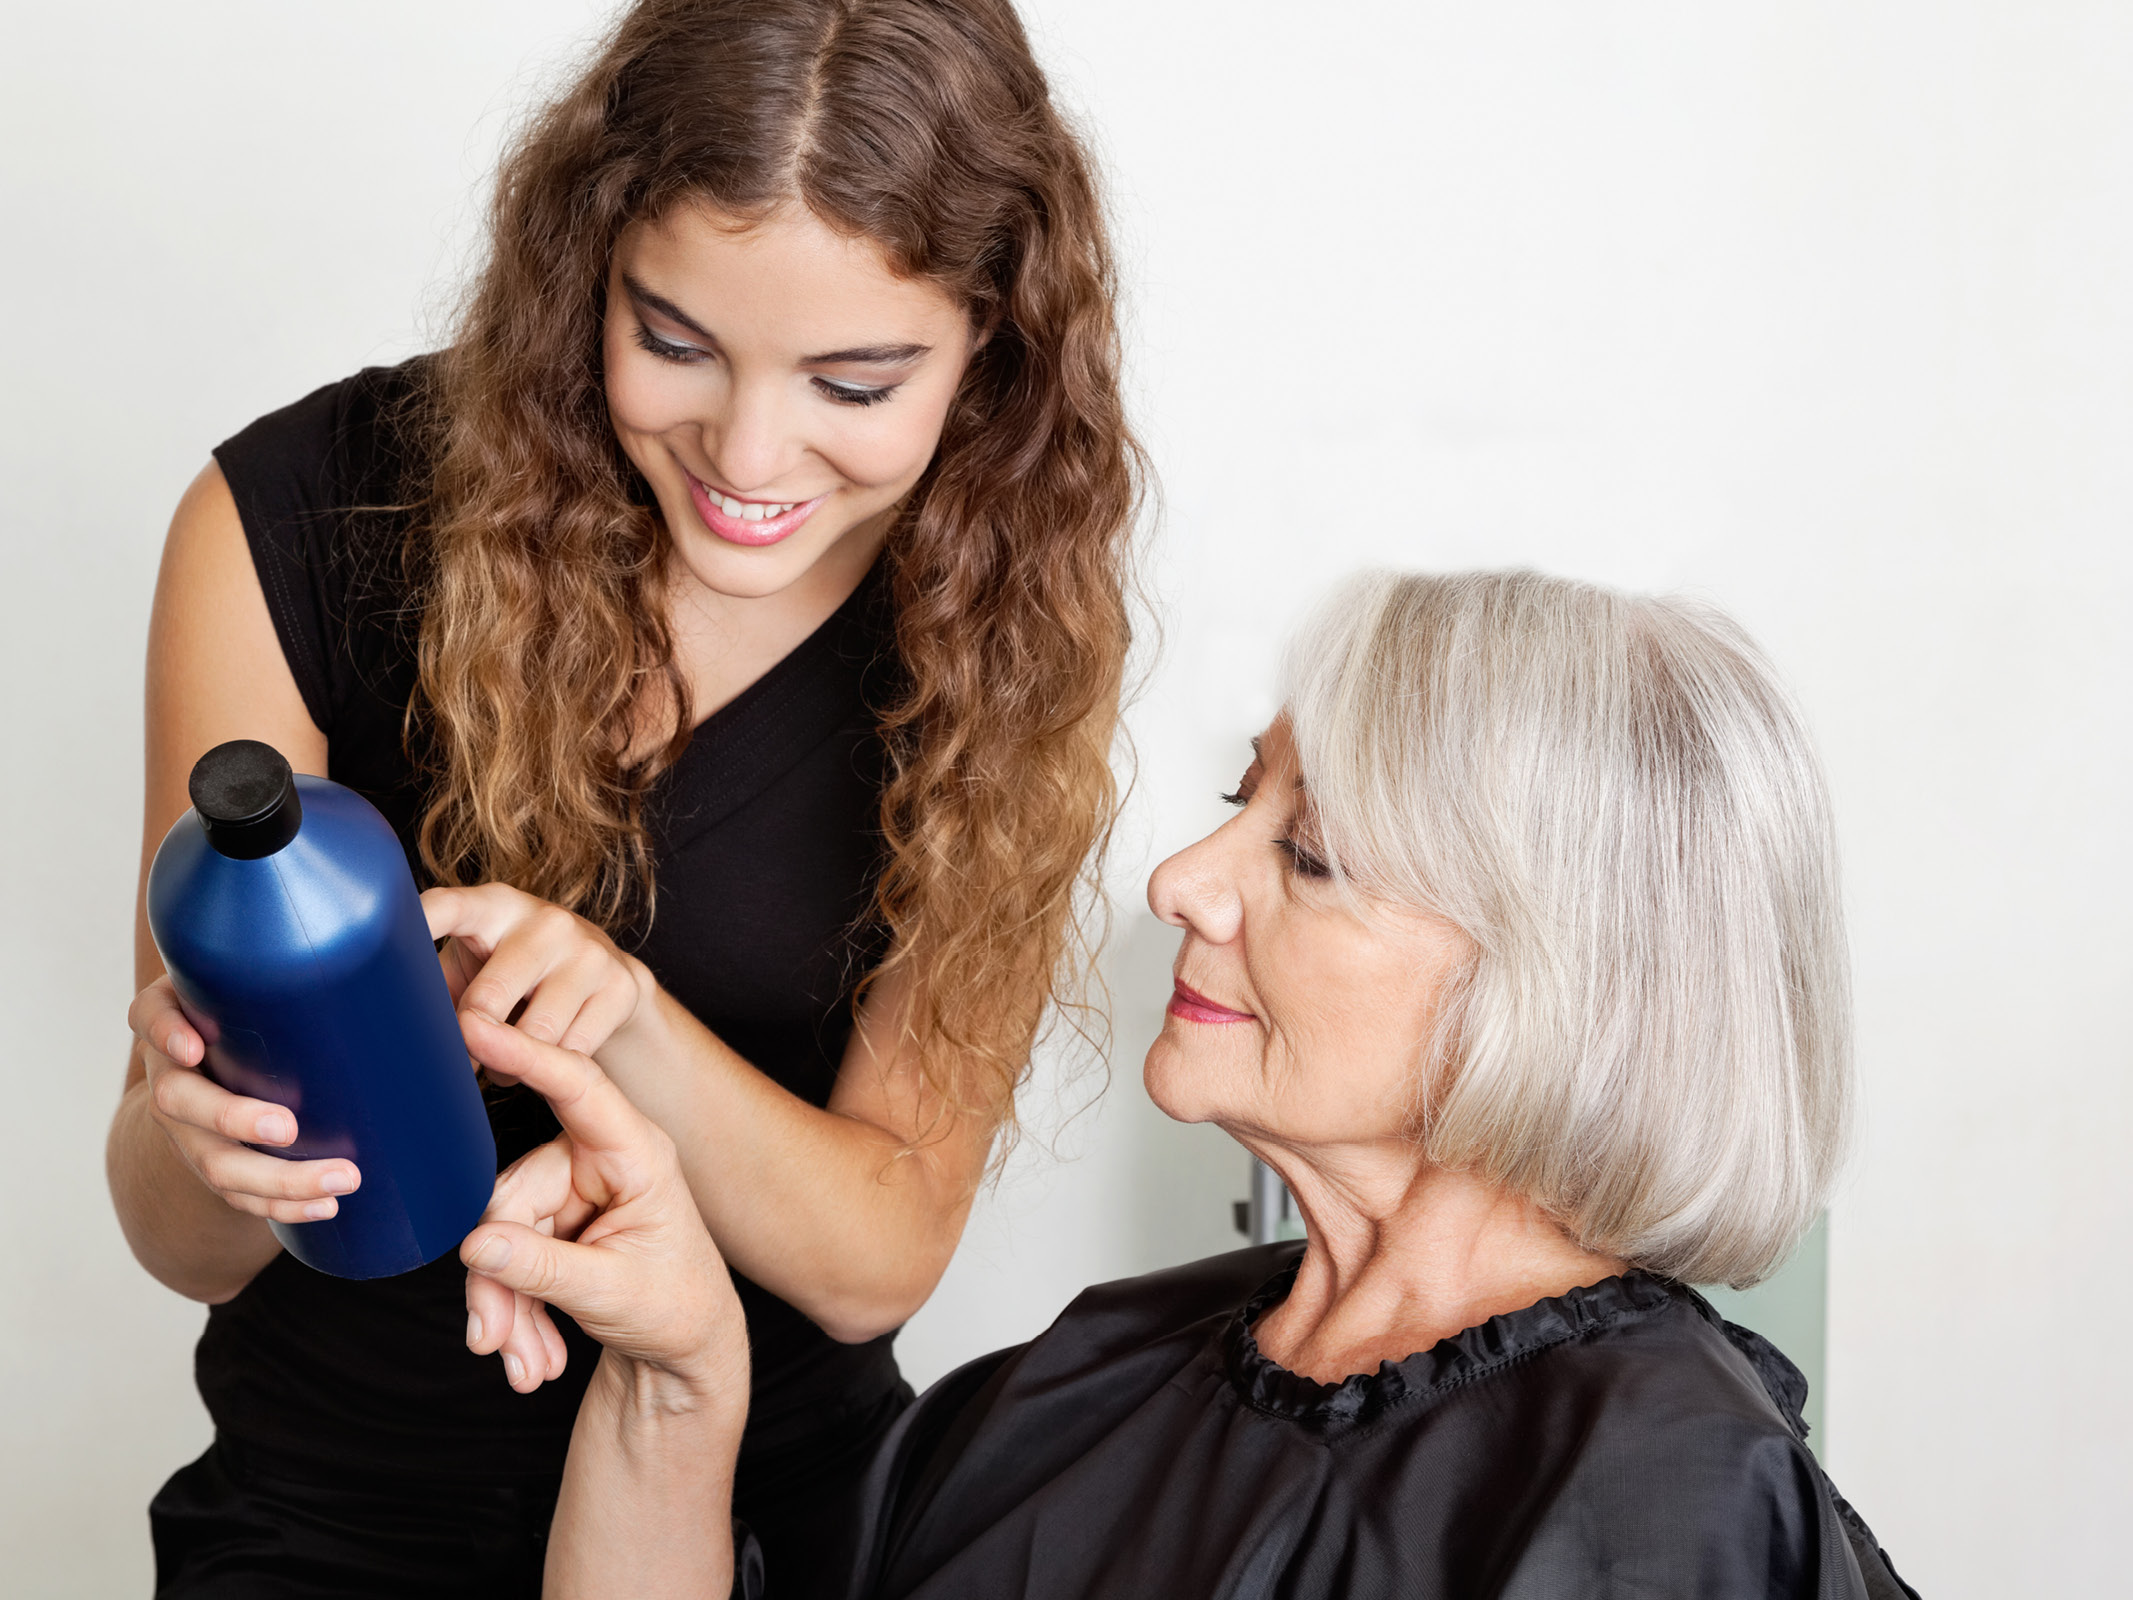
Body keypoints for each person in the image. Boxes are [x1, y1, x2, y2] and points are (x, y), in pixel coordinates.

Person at [105, 2, 1140, 1594]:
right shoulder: (292, 521)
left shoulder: (1012, 617)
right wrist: (209, 1154)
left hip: (765, 1504)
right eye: (673, 342)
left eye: (854, 383)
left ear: (991, 341)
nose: (750, 454)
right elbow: (180, 1247)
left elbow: (878, 1257)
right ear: (586, 261)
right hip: (328, 1511)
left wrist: (621, 1019)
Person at [448, 570, 1920, 1598]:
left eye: (1310, 853)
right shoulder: (1092, 1372)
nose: (1179, 882)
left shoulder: (1671, 1501)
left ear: (1557, 979)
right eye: (1239, 802)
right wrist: (676, 1376)